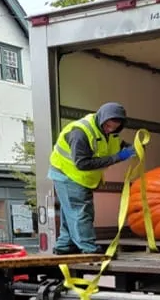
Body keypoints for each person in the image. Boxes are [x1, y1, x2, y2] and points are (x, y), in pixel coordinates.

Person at [48, 102, 136, 255]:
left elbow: (115, 144)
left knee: (71, 211)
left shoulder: (109, 133)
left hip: (80, 178)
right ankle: (89, 248)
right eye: (108, 126)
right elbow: (82, 163)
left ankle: (64, 246)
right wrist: (119, 157)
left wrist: (133, 148)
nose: (110, 130)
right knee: (81, 211)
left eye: (114, 127)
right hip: (67, 174)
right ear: (101, 119)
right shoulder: (80, 133)